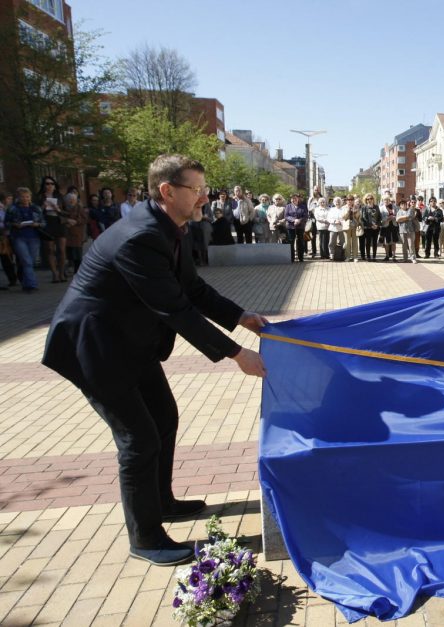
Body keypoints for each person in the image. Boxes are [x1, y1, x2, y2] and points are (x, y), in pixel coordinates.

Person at [41, 154, 267, 566]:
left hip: (129, 343)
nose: (203, 198)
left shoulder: (169, 228)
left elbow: (193, 289)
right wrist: (236, 354)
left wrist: (241, 317)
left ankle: (161, 502)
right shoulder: (140, 237)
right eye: (195, 190)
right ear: (167, 191)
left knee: (164, 416)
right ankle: (145, 537)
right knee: (138, 439)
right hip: (94, 347)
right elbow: (175, 309)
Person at [4, 187, 45, 292]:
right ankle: (32, 284)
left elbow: (44, 223)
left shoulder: (36, 208)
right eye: (22, 196)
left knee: (29, 261)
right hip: (19, 237)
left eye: (27, 196)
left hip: (34, 237)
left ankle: (25, 283)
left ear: (30, 197)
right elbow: (6, 223)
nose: (25, 199)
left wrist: (37, 224)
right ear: (18, 197)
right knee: (27, 261)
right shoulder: (12, 209)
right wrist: (15, 224)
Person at [36, 176, 67, 283]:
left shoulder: (60, 196)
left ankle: (62, 273)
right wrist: (42, 207)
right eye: (47, 184)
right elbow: (35, 213)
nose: (49, 186)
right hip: (47, 223)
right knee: (50, 250)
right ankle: (54, 274)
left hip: (59, 223)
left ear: (55, 186)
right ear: (44, 186)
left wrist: (58, 209)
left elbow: (66, 213)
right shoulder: (40, 197)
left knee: (61, 250)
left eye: (51, 184)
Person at [62, 192, 87, 275]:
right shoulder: (63, 208)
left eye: (73, 200)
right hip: (66, 233)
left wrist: (76, 221)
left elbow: (85, 219)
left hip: (77, 234)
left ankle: (78, 270)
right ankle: (66, 269)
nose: (71, 201)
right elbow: (59, 218)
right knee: (68, 253)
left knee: (78, 253)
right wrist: (66, 220)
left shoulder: (80, 209)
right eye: (70, 200)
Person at [284, 193, 307, 262]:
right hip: (291, 227)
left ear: (298, 199)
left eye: (295, 198)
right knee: (291, 242)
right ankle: (292, 258)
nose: (294, 200)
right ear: (291, 200)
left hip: (300, 226)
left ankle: (301, 257)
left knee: (300, 241)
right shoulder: (288, 206)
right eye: (292, 198)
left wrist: (299, 220)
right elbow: (286, 216)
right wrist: (294, 220)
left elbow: (305, 216)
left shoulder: (303, 206)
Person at [360, 194, 382, 261]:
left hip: (376, 228)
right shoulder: (364, 207)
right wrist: (371, 225)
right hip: (368, 228)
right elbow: (364, 218)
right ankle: (368, 256)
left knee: (375, 242)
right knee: (368, 242)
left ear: (373, 199)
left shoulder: (376, 207)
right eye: (368, 199)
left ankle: (374, 256)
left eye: (371, 198)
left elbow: (379, 217)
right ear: (366, 200)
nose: (369, 200)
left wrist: (377, 225)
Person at [397, 199, 418, 263]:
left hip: (410, 230)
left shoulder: (410, 210)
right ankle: (405, 258)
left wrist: (401, 218)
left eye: (405, 204)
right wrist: (405, 218)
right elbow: (397, 220)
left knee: (411, 245)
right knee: (404, 245)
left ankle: (413, 258)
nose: (403, 205)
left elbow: (410, 217)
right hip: (402, 231)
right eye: (402, 204)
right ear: (400, 206)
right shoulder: (399, 212)